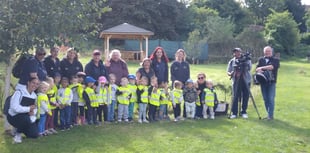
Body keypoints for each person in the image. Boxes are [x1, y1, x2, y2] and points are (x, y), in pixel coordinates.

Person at [7, 77, 39, 143]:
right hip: (13, 116)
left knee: (34, 134)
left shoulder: (34, 96)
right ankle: (17, 134)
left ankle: (19, 128)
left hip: (26, 117)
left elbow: (35, 108)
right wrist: (28, 109)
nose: (35, 85)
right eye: (33, 83)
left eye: (37, 84)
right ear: (28, 82)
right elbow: (14, 108)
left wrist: (33, 112)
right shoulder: (19, 92)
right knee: (25, 119)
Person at [256, 46, 280, 120]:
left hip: (271, 82)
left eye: (269, 51)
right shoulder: (261, 59)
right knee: (265, 99)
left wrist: (262, 68)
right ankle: (269, 114)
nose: (267, 52)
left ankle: (270, 115)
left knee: (271, 98)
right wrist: (259, 69)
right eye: (266, 51)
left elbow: (272, 67)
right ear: (264, 52)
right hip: (263, 82)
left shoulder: (276, 59)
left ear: (271, 52)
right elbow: (257, 69)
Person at [227, 48, 252, 119]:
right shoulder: (232, 61)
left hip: (246, 80)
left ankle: (244, 112)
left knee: (246, 96)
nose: (236, 53)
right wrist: (231, 73)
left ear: (241, 52)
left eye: (238, 52)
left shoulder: (246, 59)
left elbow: (249, 68)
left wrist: (245, 63)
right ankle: (234, 113)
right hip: (236, 81)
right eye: (235, 52)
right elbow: (228, 72)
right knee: (235, 96)